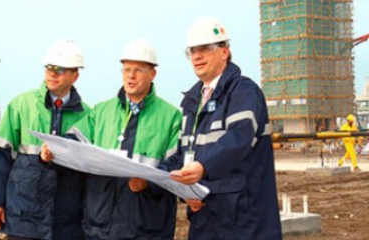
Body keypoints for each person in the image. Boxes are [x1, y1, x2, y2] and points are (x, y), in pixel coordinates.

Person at [41, 39, 181, 240]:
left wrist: (148, 184)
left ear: (153, 74)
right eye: (126, 69)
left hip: (147, 227)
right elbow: (73, 140)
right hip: (100, 224)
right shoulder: (101, 112)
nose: (131, 76)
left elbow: (175, 164)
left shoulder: (170, 116)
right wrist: (54, 151)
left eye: (138, 70)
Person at [163, 17, 282, 239]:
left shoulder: (243, 92)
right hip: (204, 221)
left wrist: (202, 167)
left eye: (204, 49)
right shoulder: (192, 102)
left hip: (243, 223)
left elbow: (238, 138)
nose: (197, 56)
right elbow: (183, 154)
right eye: (192, 51)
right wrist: (183, 192)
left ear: (224, 52)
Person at [0, 40, 91, 240]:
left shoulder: (87, 116)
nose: (52, 74)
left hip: (67, 219)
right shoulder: (21, 106)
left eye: (59, 70)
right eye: (49, 68)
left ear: (75, 75)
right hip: (24, 215)